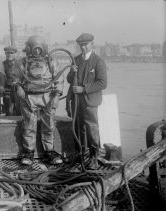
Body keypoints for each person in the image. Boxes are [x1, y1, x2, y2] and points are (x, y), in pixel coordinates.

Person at [13, 35, 64, 165]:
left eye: (39, 49)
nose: (36, 52)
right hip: (28, 97)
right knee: (28, 125)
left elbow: (59, 79)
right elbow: (15, 78)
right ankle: (29, 152)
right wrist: (18, 87)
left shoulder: (51, 61)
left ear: (44, 48)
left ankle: (49, 151)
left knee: (49, 125)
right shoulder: (22, 62)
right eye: (34, 49)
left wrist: (57, 95)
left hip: (48, 97)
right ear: (29, 48)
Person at [66, 33, 107, 169]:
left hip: (90, 102)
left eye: (86, 44)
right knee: (78, 128)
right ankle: (80, 154)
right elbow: (69, 80)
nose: (83, 47)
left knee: (91, 129)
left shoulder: (98, 61)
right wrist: (72, 72)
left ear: (92, 44)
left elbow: (102, 83)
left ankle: (94, 157)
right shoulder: (76, 60)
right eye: (81, 45)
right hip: (77, 102)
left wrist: (83, 89)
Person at [2, 45, 21, 116]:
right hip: (7, 90)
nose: (9, 55)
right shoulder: (2, 64)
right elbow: (1, 77)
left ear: (15, 54)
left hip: (18, 89)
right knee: (9, 110)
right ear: (5, 54)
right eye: (8, 53)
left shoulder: (20, 64)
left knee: (19, 109)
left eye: (11, 53)